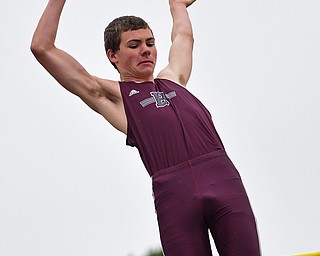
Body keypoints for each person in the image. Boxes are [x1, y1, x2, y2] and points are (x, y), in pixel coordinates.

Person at [31, 0, 261, 255]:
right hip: (175, 198)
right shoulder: (112, 97)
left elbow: (183, 36)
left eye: (150, 43)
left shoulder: (175, 78)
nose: (146, 51)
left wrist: (178, 5)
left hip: (224, 182)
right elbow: (42, 48)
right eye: (134, 45)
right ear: (113, 55)